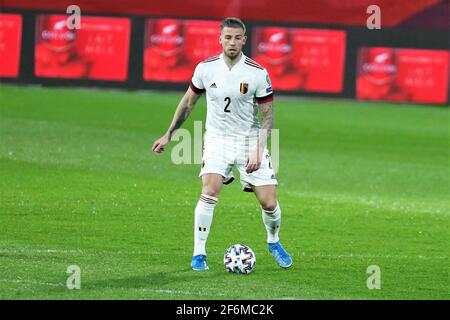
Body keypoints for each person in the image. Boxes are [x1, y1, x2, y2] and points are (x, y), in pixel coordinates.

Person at [152, 17, 293, 271]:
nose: (232, 42)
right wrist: (168, 134)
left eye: (237, 37)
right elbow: (188, 103)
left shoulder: (257, 73)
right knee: (210, 189)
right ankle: (199, 254)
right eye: (227, 37)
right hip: (217, 139)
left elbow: (268, 115)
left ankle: (273, 241)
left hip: (249, 140)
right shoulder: (205, 69)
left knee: (268, 202)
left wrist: (259, 149)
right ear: (220, 39)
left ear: (244, 40)